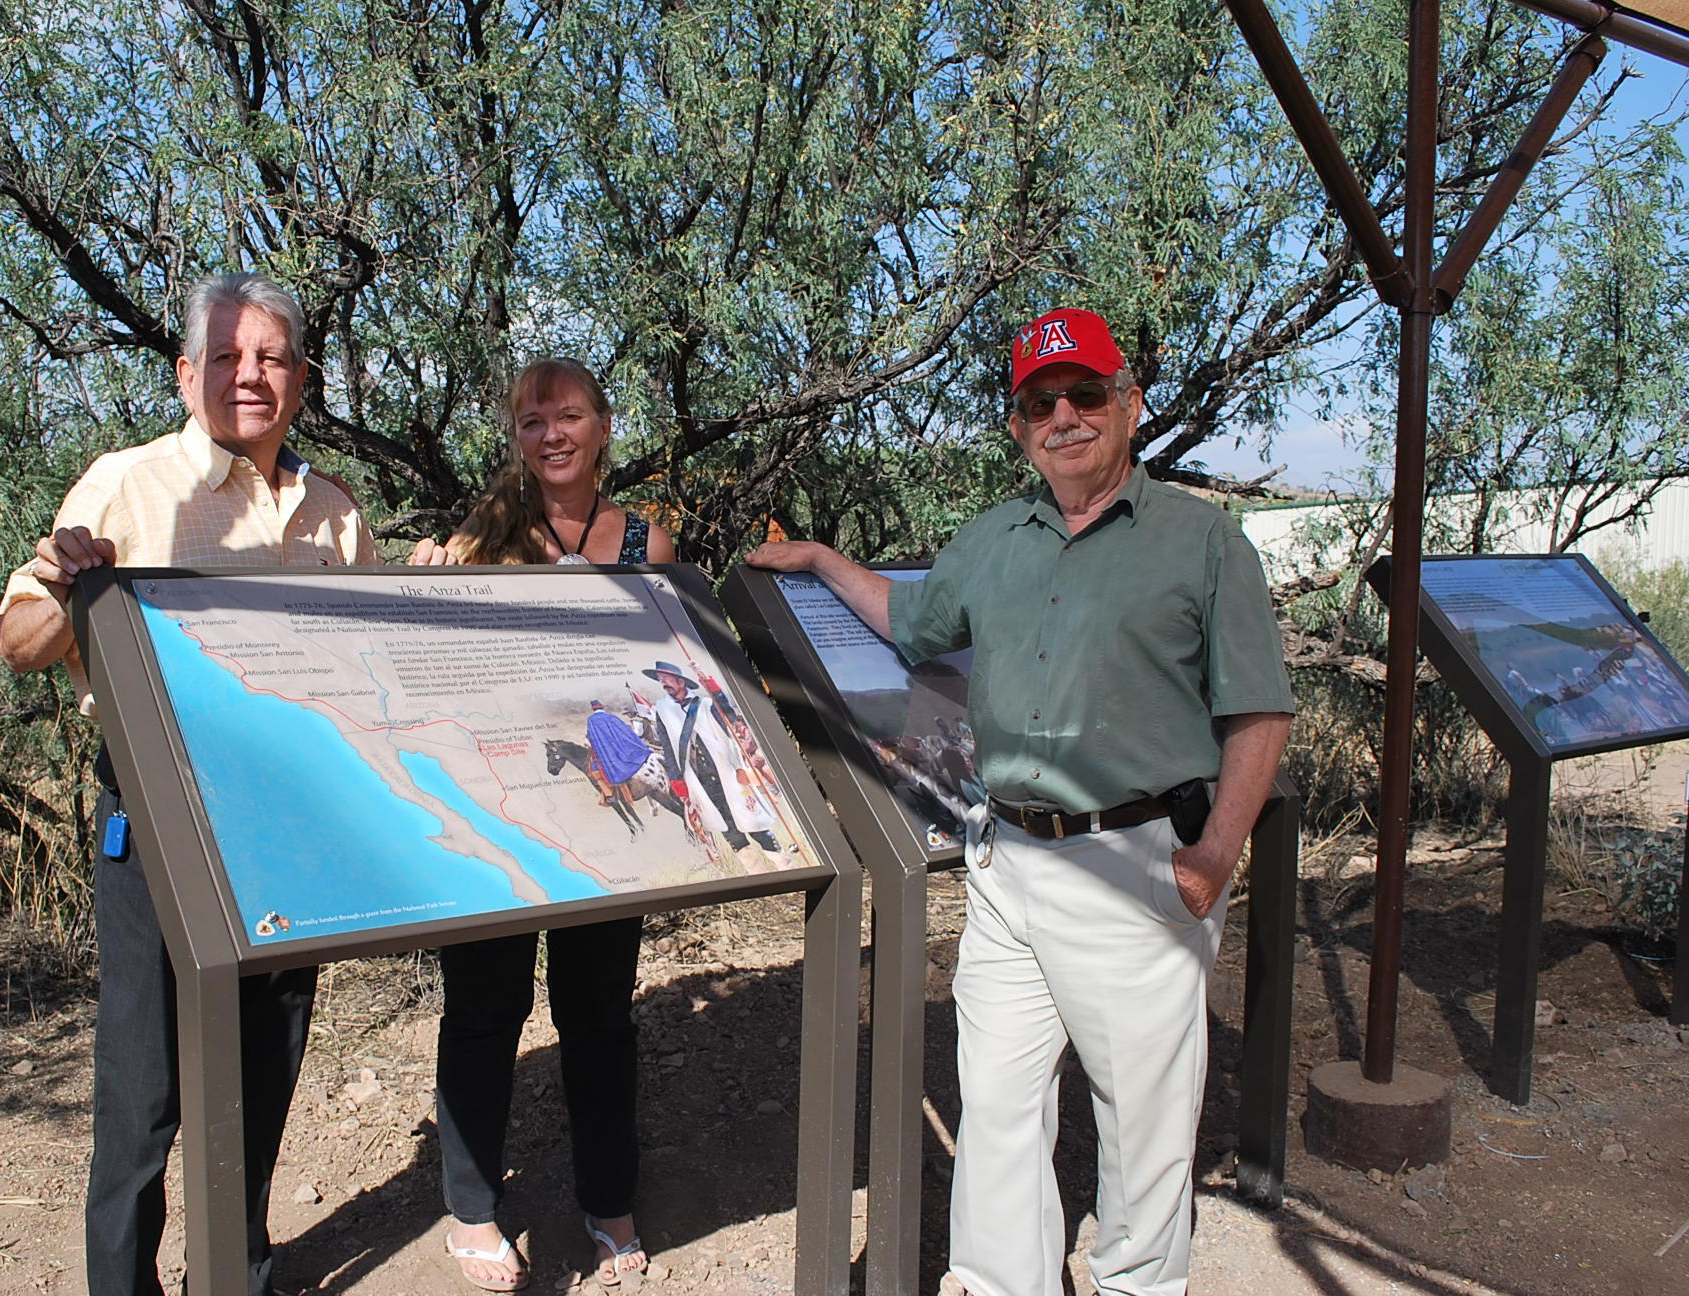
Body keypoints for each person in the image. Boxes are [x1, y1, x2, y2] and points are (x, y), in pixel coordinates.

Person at [747, 306, 1294, 1296]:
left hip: (1137, 868)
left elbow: (1258, 712)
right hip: (1006, 866)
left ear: (1128, 404)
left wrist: (1214, 855)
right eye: (1041, 403)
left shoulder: (1201, 542)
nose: (1066, 417)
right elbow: (910, 620)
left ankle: (1136, 1286)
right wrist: (824, 562)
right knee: (994, 1103)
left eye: (1086, 394)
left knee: (1145, 1123)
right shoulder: (992, 538)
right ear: (1017, 426)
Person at [0, 271, 379, 1296]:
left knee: (262, 1077)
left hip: (293, 831)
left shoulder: (333, 513)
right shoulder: (124, 485)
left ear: (300, 378)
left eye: (269, 358)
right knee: (145, 1096)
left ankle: (237, 1270)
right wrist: (70, 590)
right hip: (157, 823)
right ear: (184, 372)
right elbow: (19, 641)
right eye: (224, 355)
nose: (246, 376)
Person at [410, 358, 671, 1292]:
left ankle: (608, 1200)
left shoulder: (646, 538)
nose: (551, 434)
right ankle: (472, 1209)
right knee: (485, 1009)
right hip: (502, 812)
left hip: (609, 813)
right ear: (516, 438)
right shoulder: (480, 537)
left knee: (600, 1014)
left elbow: (669, 679)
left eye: (567, 416)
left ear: (604, 426)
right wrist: (423, 588)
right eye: (531, 421)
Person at [642, 661, 786, 873]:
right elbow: (668, 749)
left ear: (681, 681)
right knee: (729, 831)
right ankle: (758, 875)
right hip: (699, 780)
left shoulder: (707, 704)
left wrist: (710, 684)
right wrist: (677, 780)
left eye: (666, 678)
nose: (663, 683)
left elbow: (728, 716)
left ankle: (785, 868)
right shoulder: (662, 710)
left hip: (727, 772)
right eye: (660, 679)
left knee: (755, 824)